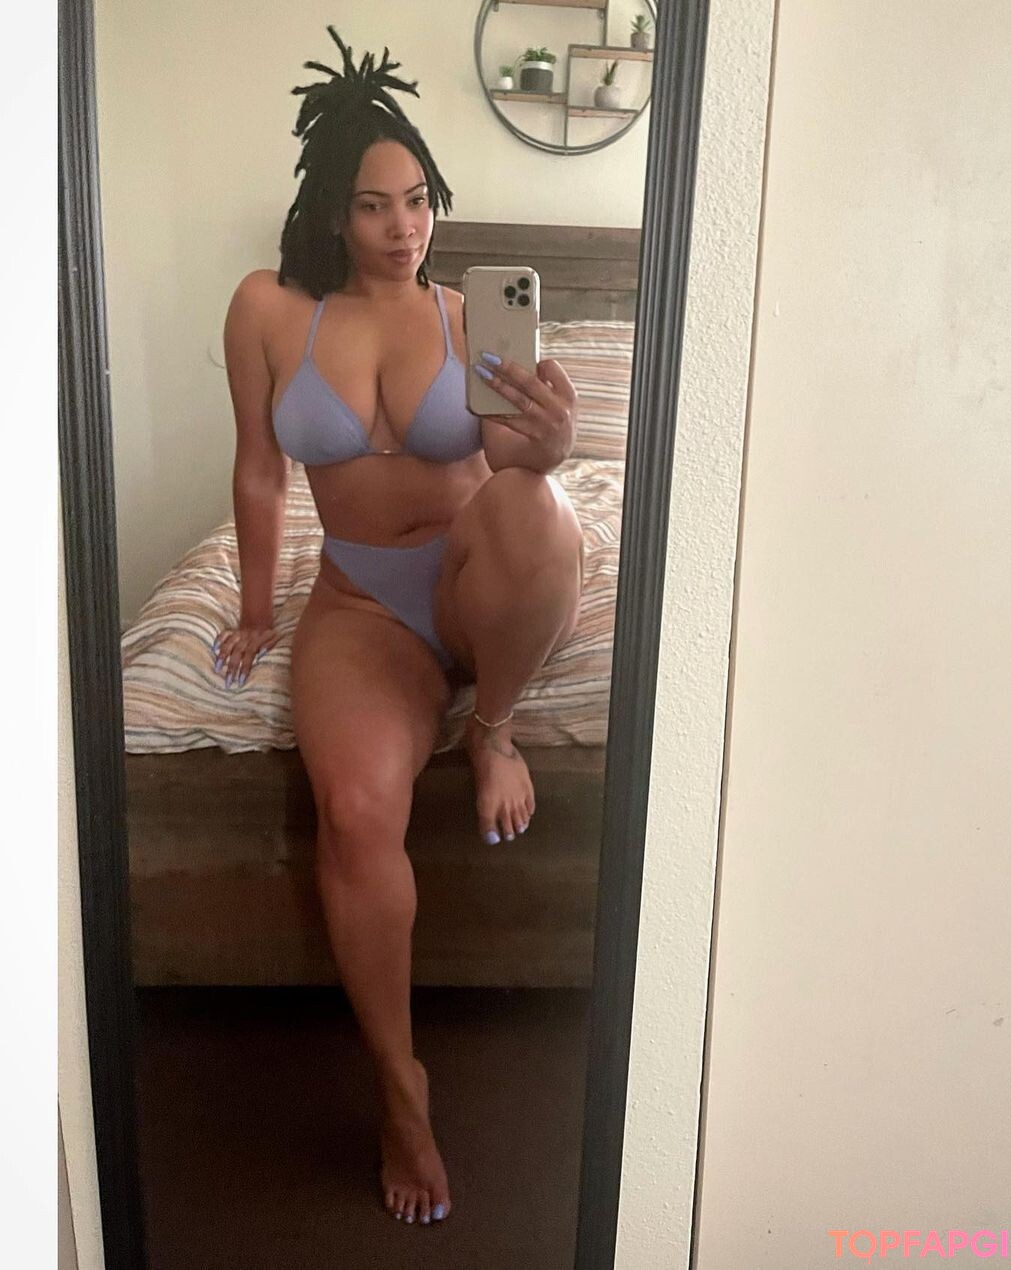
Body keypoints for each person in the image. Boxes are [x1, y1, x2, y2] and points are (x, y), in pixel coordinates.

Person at [211, 32, 584, 1228]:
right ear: (332, 210)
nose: (403, 226)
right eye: (375, 205)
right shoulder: (268, 310)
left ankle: (495, 726)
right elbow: (260, 471)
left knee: (539, 509)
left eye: (418, 199)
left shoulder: (471, 314)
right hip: (363, 604)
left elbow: (513, 463)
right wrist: (257, 607)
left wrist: (553, 444)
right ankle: (400, 1085)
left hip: (476, 583)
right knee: (358, 807)